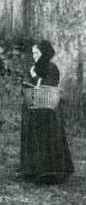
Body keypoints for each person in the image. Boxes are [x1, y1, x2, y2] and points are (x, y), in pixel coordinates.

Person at [20, 40, 74, 183]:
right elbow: (27, 84)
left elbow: (49, 86)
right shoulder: (34, 67)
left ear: (44, 53)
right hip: (34, 108)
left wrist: (35, 77)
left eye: (37, 53)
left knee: (48, 138)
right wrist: (29, 81)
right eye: (33, 53)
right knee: (34, 138)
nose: (34, 56)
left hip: (48, 109)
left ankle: (51, 172)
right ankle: (33, 169)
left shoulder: (51, 68)